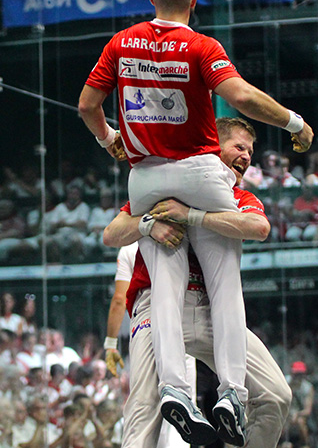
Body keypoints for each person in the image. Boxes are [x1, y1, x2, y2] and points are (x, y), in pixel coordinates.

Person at [78, 0, 312, 446]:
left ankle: (178, 392)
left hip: (145, 176)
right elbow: (241, 95)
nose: (245, 156)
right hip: (197, 172)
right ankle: (230, 394)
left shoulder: (121, 43)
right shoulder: (202, 45)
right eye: (240, 148)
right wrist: (293, 122)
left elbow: (86, 105)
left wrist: (109, 141)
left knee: (166, 278)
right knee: (226, 282)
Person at [102, 118, 291, 448]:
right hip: (153, 312)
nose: (247, 157)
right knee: (144, 411)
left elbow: (258, 227)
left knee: (277, 395)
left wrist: (192, 216)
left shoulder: (237, 196)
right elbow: (111, 234)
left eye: (250, 151)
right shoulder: (162, 192)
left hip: (211, 312)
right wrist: (148, 224)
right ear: (213, 148)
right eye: (239, 147)